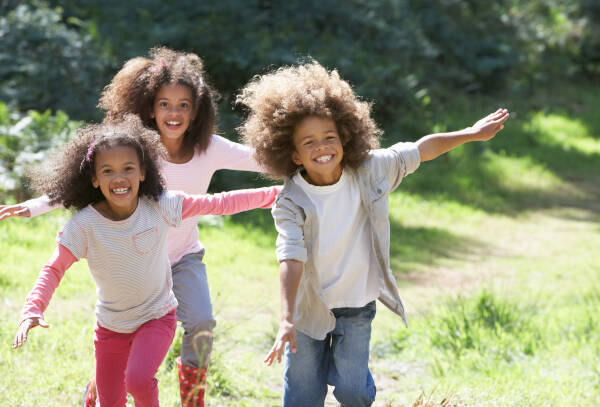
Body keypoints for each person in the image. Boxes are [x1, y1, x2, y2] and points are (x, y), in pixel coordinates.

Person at [0, 47, 264, 406]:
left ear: (196, 110)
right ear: (149, 107)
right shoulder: (136, 152)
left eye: (183, 105)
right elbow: (84, 180)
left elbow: (261, 161)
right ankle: (102, 385)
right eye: (164, 104)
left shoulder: (211, 148)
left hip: (182, 257)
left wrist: (308, 166)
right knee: (118, 360)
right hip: (132, 259)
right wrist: (33, 207)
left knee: (201, 321)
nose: (174, 113)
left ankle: (193, 396)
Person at [237, 60, 509, 407]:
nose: (322, 147)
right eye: (309, 142)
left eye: (329, 138)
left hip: (356, 303)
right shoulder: (290, 201)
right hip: (308, 311)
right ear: (293, 154)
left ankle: (352, 379)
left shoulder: (371, 170)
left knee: (353, 391)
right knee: (303, 396)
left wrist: (470, 133)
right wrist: (286, 318)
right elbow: (290, 256)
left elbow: (421, 149)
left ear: (346, 137)